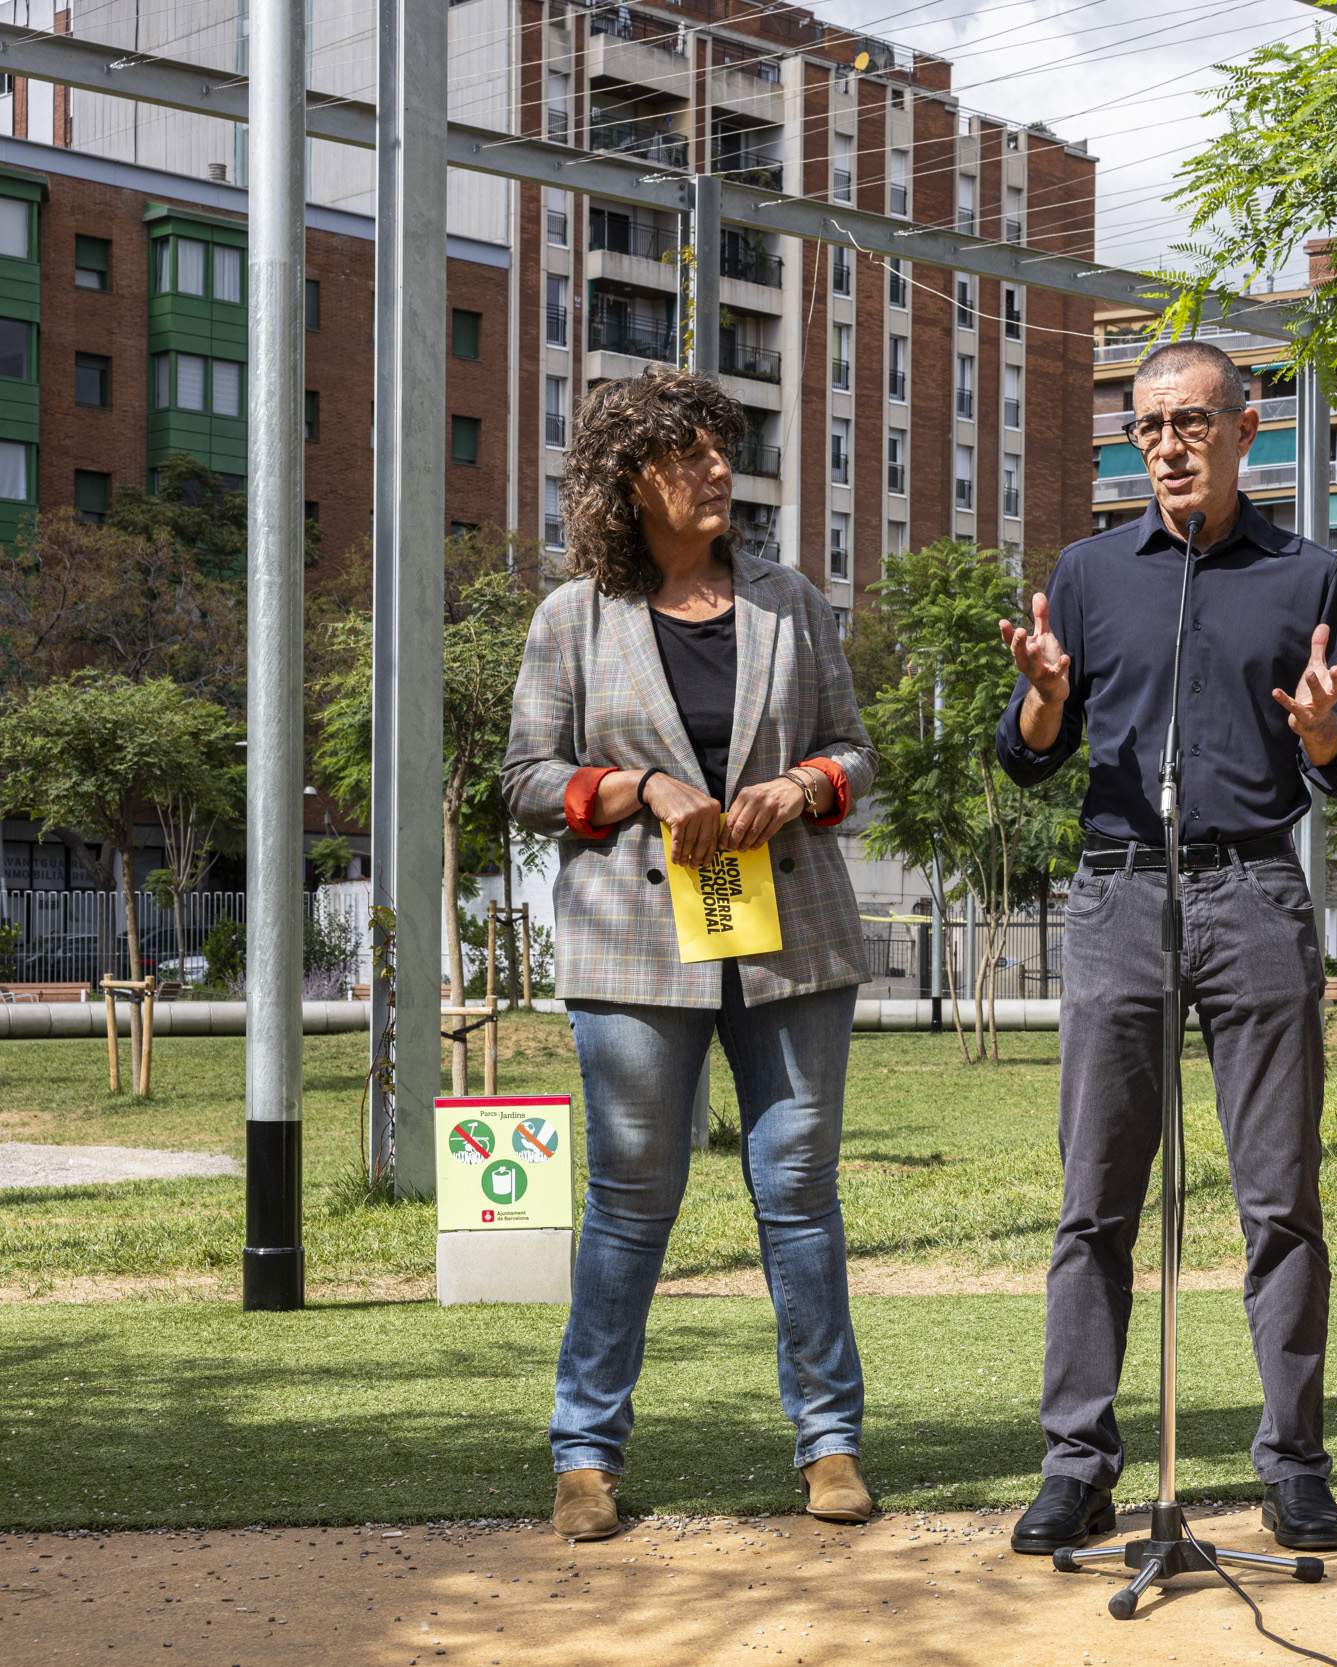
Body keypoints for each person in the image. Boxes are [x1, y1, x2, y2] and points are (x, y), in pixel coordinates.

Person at [993, 340, 1337, 1555]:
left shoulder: (1306, 572)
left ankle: (1293, 1461)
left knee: (1280, 1197)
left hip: (1254, 892)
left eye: (1188, 421)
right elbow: (1025, 754)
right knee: (1093, 1198)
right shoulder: (1090, 573)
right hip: (1116, 894)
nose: (1165, 444)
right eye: (1145, 426)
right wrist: (1045, 696)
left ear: (1242, 427)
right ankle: (1078, 1465)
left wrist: (1321, 732)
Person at [503, 368, 880, 1543]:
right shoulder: (574, 616)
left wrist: (801, 785)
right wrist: (636, 785)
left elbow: (856, 753)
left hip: (792, 947)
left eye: (724, 449)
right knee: (627, 1203)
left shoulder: (789, 601)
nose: (720, 469)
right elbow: (524, 780)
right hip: (631, 949)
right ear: (631, 479)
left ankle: (829, 1443)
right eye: (692, 454)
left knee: (799, 1195)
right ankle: (585, 1454)